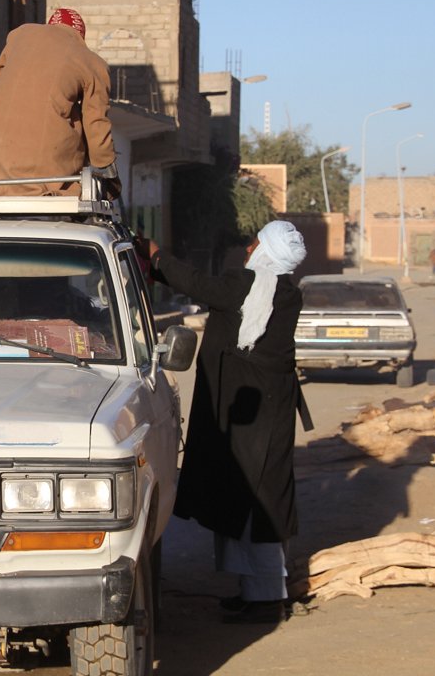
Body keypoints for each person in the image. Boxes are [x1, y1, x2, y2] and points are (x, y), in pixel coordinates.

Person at [143, 220, 310, 624]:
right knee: (241, 496)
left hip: (255, 417)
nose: (248, 250)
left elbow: (199, 284)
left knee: (257, 502)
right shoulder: (281, 292)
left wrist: (157, 257)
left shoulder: (249, 286)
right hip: (255, 411)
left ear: (268, 251)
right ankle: (254, 592)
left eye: (255, 245)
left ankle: (267, 599)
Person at [0, 8, 118, 196]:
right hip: (44, 170)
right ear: (80, 35)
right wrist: (106, 168)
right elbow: (96, 125)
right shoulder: (93, 63)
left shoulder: (21, 34)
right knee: (75, 115)